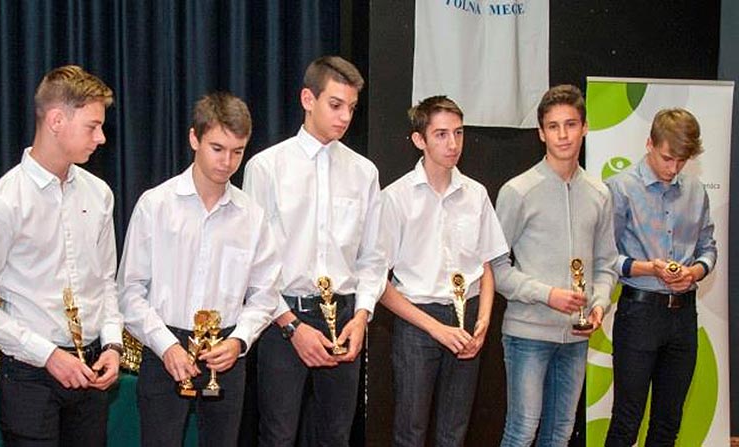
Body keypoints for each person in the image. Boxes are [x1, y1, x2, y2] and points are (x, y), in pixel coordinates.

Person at [0, 65, 122, 446]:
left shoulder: (99, 194)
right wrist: (48, 355)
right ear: (56, 120)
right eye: (92, 126)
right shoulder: (2, 203)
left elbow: (105, 282)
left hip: (92, 367)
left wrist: (113, 344)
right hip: (30, 374)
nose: (100, 138)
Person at [118, 92, 280, 446]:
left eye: (237, 152)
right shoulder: (156, 205)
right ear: (194, 138)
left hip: (227, 350)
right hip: (164, 344)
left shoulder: (252, 216)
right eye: (217, 148)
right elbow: (129, 291)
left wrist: (239, 340)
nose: (227, 162)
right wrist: (166, 345)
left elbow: (265, 294)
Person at [242, 55, 385, 446]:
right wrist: (291, 326)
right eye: (335, 105)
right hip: (282, 318)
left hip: (345, 315)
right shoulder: (266, 167)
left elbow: (373, 257)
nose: (345, 117)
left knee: (336, 435)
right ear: (308, 99)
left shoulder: (364, 172)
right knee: (278, 435)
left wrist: (362, 316)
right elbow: (254, 264)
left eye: (351, 108)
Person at [378, 95, 509, 446]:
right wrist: (435, 327)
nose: (453, 144)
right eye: (441, 134)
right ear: (419, 139)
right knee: (411, 431)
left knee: (455, 430)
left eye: (459, 133)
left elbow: (486, 264)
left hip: (467, 317)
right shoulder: (395, 197)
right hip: (417, 321)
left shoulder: (476, 193)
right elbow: (379, 283)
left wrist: (483, 321)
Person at [493, 84, 619, 447]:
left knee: (560, 435)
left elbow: (607, 264)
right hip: (528, 334)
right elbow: (496, 269)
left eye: (570, 124)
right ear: (541, 133)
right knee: (522, 432)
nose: (563, 135)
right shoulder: (518, 191)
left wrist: (598, 304)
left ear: (585, 127)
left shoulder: (599, 193)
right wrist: (546, 294)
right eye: (553, 126)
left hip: (577, 337)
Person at [604, 108, 716, 446]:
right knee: (627, 420)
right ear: (649, 143)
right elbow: (605, 258)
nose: (674, 168)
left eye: (682, 161)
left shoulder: (696, 190)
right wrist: (648, 268)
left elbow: (708, 248)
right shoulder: (620, 188)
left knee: (668, 423)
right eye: (668, 158)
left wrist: (695, 271)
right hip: (639, 313)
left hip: (684, 315)